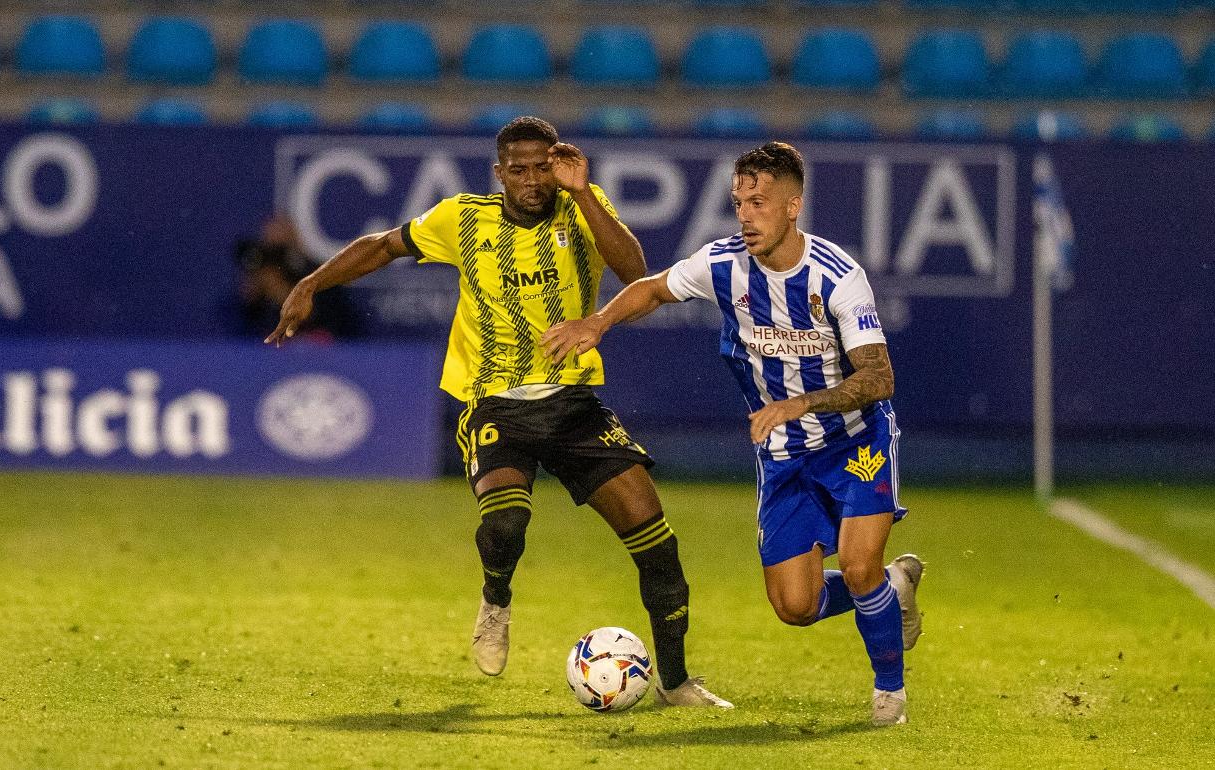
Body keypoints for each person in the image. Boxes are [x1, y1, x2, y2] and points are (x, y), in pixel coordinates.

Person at [265, 116, 731, 708]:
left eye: (543, 167)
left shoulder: (580, 208)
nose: (533, 180)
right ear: (499, 172)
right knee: (507, 523)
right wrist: (310, 283)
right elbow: (383, 246)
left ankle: (675, 682)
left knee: (657, 543)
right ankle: (496, 601)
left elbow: (636, 272)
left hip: (574, 405)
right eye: (520, 169)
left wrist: (584, 192)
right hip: (493, 403)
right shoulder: (462, 217)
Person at [541, 141, 923, 726]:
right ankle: (893, 587)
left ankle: (889, 694)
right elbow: (652, 287)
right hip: (783, 453)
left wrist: (801, 403)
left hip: (856, 440)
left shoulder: (839, 277)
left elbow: (879, 377)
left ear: (793, 206)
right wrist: (599, 322)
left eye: (760, 202)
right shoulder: (722, 263)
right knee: (795, 606)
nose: (745, 214)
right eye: (739, 202)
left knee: (857, 562)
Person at [229, 214, 363, 342]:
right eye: (271, 249)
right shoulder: (259, 276)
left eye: (280, 249)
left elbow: (332, 322)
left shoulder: (319, 274)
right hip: (265, 353)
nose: (276, 256)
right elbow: (243, 330)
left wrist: (282, 294)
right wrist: (251, 296)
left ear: (295, 239)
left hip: (317, 352)